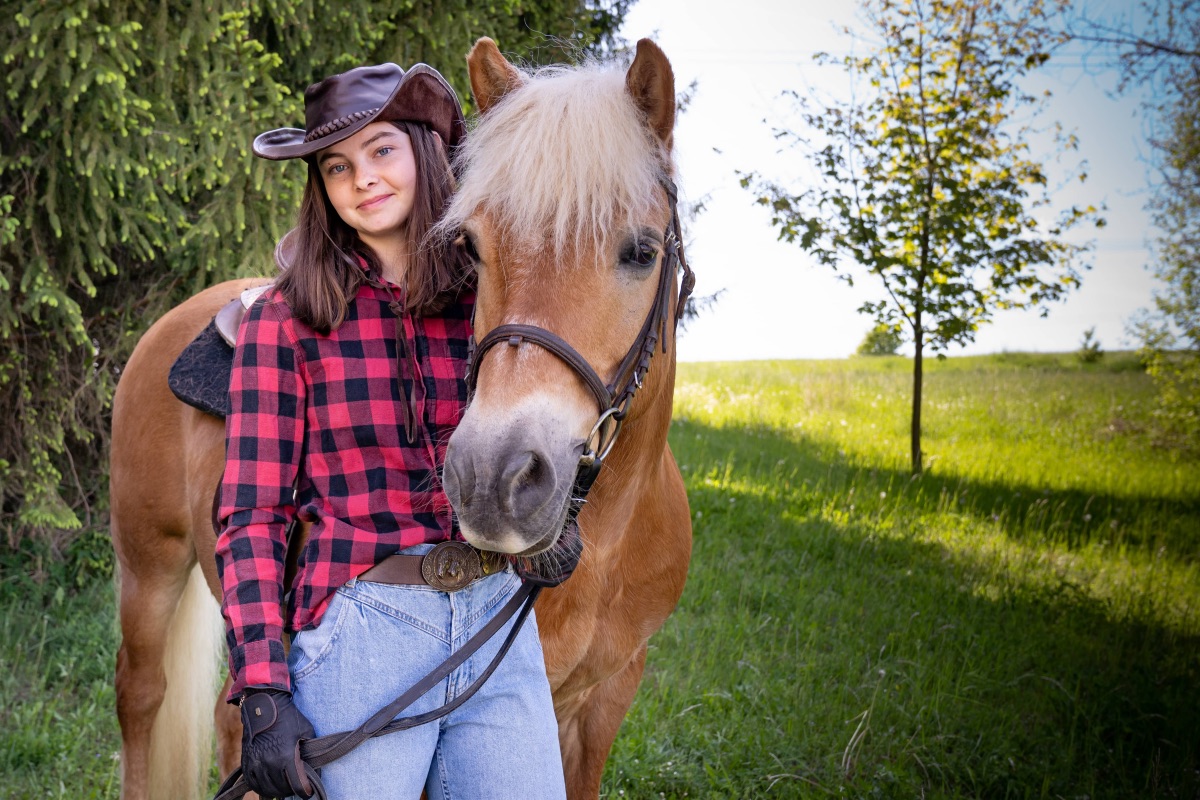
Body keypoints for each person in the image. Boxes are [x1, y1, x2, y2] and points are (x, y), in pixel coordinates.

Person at [215, 62, 566, 800]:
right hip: (363, 628)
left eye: (381, 151)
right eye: (337, 166)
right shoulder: (285, 321)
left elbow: (558, 420)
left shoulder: (489, 304)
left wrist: (559, 522)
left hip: (495, 623)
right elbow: (251, 516)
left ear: (426, 150)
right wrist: (261, 692)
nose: (361, 179)